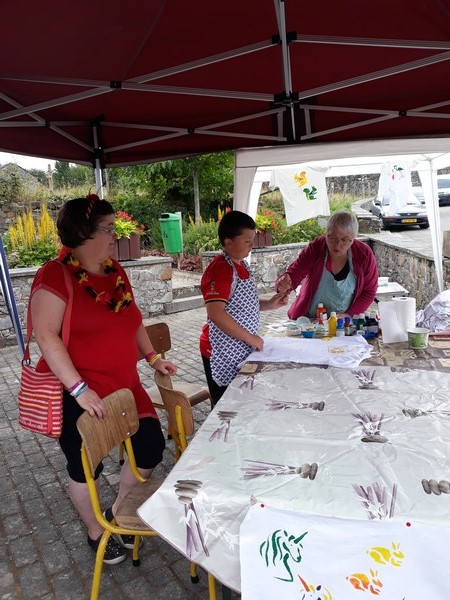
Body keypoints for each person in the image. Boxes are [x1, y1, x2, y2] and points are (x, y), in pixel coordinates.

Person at [29, 194, 176, 565]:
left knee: (150, 447)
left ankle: (117, 513)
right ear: (83, 233)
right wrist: (79, 390)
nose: (116, 236)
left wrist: (153, 357)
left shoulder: (114, 270)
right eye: (109, 229)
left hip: (126, 385)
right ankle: (95, 530)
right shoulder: (55, 274)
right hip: (80, 393)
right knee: (86, 468)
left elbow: (133, 317)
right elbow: (45, 335)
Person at [199, 210, 289, 405]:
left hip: (240, 345)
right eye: (247, 241)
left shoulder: (240, 265)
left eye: (252, 240)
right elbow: (216, 313)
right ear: (228, 242)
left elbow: (241, 305)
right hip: (221, 349)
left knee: (242, 398)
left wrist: (269, 304)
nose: (251, 246)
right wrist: (251, 338)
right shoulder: (221, 269)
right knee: (226, 403)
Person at [275, 211, 378, 321]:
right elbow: (293, 274)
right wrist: (283, 285)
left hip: (343, 320)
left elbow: (369, 292)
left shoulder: (364, 255)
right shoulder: (316, 248)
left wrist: (349, 314)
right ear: (326, 234)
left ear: (353, 239)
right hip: (310, 319)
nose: (337, 245)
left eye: (344, 239)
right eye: (332, 238)